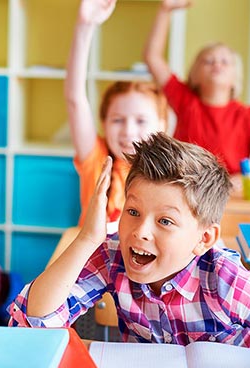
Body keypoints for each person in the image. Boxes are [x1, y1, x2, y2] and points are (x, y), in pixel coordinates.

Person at [8, 134, 250, 368]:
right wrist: (88, 238)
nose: (140, 231)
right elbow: (34, 321)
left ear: (204, 238)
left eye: (165, 221)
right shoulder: (113, 254)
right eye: (133, 211)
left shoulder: (226, 279)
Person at [144, 0, 250, 191]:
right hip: (184, 192)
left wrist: (249, 180)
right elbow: (152, 57)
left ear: (236, 77)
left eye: (225, 61)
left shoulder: (246, 117)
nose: (217, 64)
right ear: (195, 74)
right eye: (208, 61)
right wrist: (165, 9)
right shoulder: (185, 100)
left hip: (226, 197)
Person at [68, 0, 167, 227]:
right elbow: (74, 99)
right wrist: (84, 26)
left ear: (162, 124)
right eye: (117, 120)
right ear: (103, 122)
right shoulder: (98, 160)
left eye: (141, 120)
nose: (128, 130)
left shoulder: (167, 172)